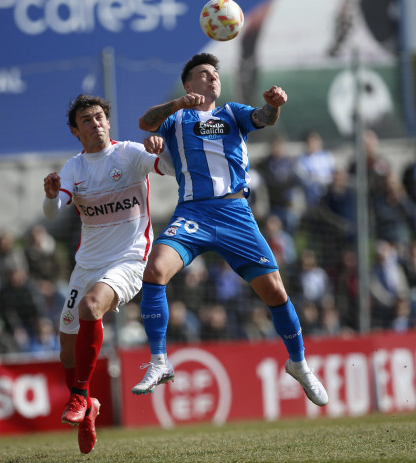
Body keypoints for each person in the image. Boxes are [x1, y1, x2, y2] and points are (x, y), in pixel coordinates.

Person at [133, 53, 328, 407]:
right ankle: (159, 361)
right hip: (193, 212)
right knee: (155, 269)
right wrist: (176, 104)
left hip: (235, 212)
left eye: (215, 75)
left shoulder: (232, 112)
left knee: (276, 292)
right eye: (203, 75)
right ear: (189, 84)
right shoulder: (176, 117)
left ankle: (298, 363)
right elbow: (146, 122)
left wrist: (274, 106)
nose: (212, 79)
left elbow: (263, 118)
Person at [42, 94, 173, 454]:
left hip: (129, 260)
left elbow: (171, 169)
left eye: (100, 117)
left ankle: (81, 396)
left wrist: (164, 148)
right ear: (76, 131)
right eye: (87, 120)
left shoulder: (130, 153)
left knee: (90, 307)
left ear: (109, 122)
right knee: (67, 356)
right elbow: (54, 211)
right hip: (87, 265)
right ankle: (88, 410)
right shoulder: (74, 168)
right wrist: (52, 196)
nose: (96, 123)